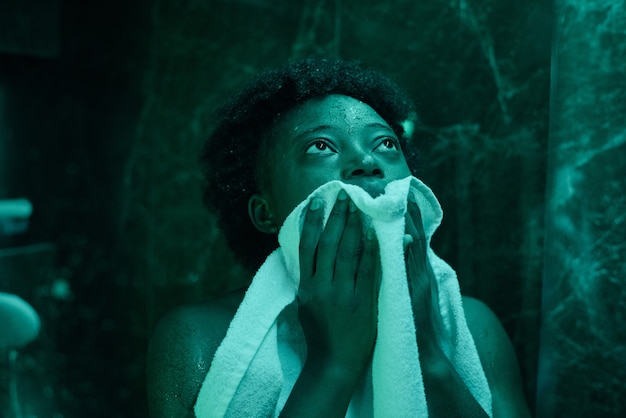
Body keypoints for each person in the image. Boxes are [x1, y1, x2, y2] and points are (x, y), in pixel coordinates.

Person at [147, 58, 531, 417]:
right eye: (321, 146)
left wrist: (425, 349)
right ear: (266, 213)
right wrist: (334, 363)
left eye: (385, 143)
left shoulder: (474, 327)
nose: (367, 161)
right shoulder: (198, 339)